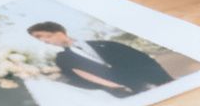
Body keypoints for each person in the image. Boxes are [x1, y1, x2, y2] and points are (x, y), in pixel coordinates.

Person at [27, 22, 174, 96]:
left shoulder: (106, 44)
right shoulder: (63, 59)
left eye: (46, 36)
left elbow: (141, 59)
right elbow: (81, 80)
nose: (46, 41)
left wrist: (162, 79)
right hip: (127, 93)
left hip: (157, 81)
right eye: (41, 40)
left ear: (59, 32)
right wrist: (116, 88)